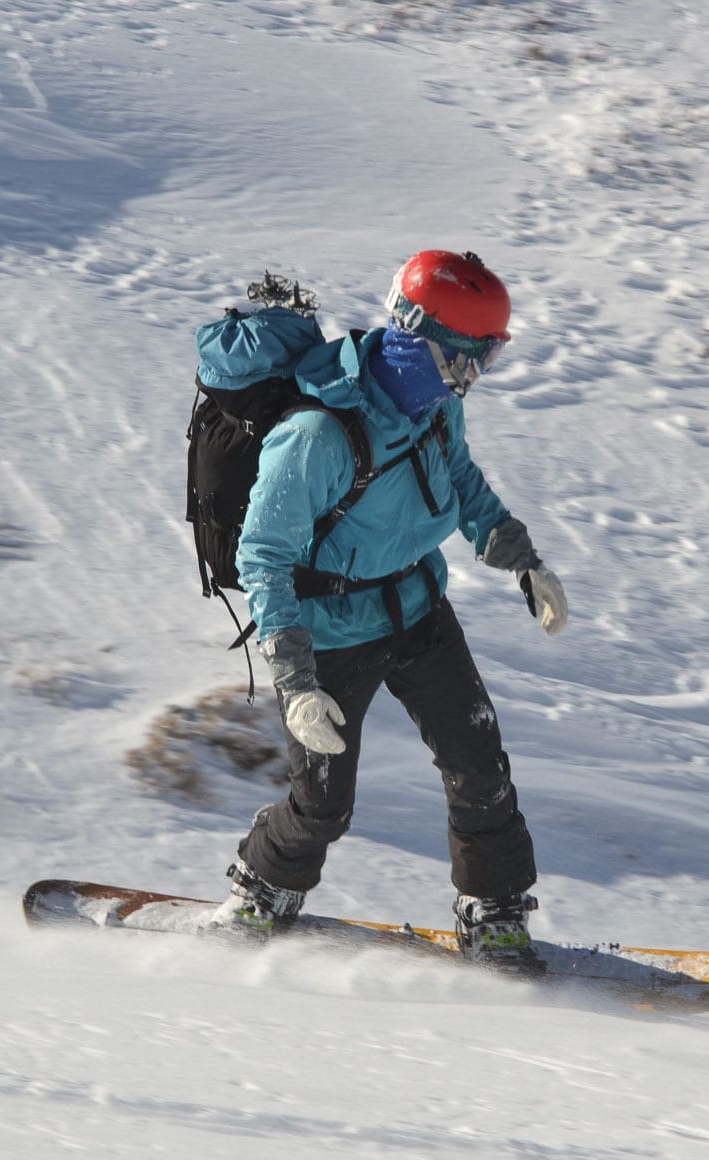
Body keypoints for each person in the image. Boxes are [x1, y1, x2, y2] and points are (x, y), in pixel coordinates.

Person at [212, 249, 568, 972]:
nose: (469, 382)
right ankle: (258, 891)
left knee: (481, 769)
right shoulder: (315, 437)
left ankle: (493, 917)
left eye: (484, 363)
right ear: (415, 340)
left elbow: (462, 484)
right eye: (461, 361)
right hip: (330, 633)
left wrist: (522, 560)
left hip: (417, 610)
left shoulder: (436, 410)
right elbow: (262, 556)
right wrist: (296, 681)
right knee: (323, 805)